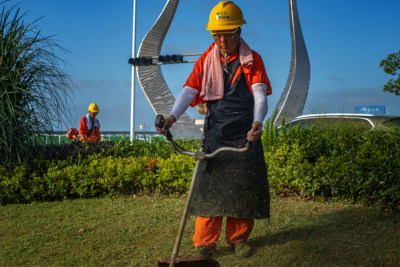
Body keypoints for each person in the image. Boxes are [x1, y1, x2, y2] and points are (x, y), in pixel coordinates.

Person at [156, 1, 271, 258]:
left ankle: (238, 239)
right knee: (208, 189)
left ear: (239, 32)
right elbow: (189, 91)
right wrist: (172, 117)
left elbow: (259, 94)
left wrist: (257, 123)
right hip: (216, 134)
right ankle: (204, 243)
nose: (221, 40)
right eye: (216, 34)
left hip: (244, 134)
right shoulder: (206, 60)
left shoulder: (252, 61)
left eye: (227, 34)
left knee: (242, 189)